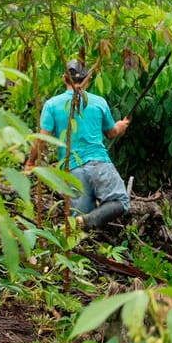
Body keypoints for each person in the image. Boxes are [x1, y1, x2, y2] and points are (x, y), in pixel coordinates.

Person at [37, 59, 131, 232]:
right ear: (87, 77)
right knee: (120, 202)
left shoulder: (51, 105)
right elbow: (111, 133)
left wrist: (30, 162)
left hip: (71, 170)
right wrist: (120, 126)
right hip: (99, 163)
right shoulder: (99, 102)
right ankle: (89, 221)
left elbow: (41, 139)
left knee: (77, 226)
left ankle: (83, 227)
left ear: (64, 79)